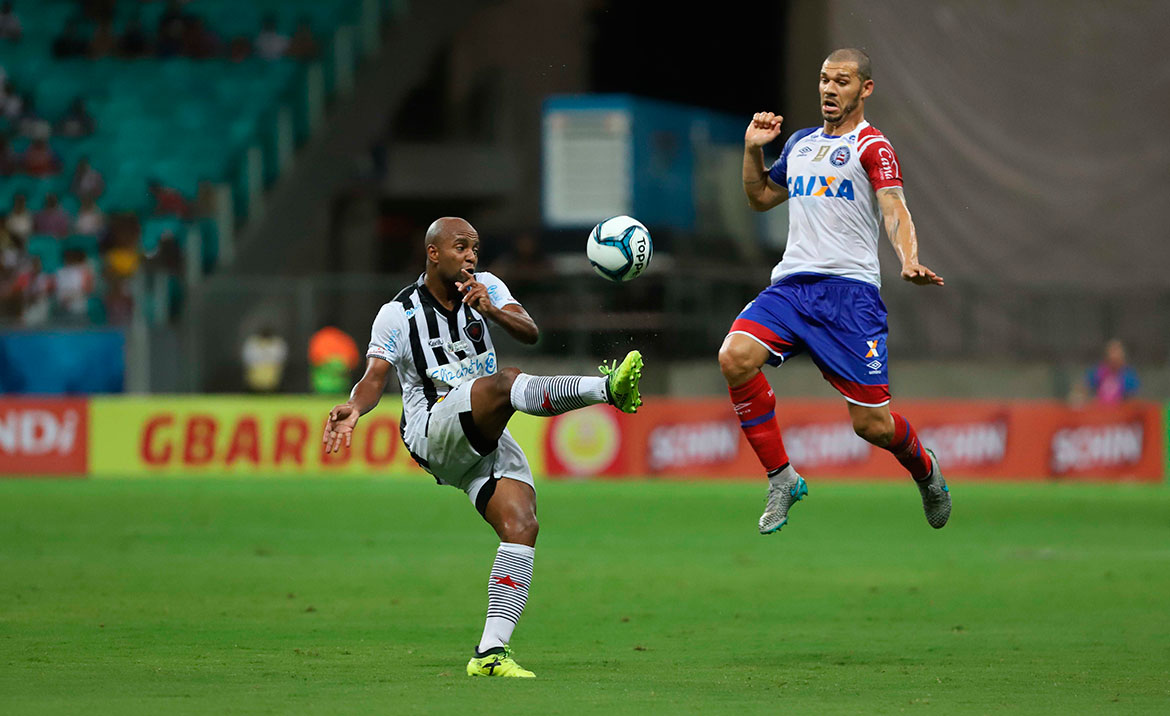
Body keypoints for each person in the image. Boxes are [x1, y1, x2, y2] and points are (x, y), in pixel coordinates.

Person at [321, 217, 644, 678]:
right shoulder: (398, 313)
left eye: (475, 247)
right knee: (506, 383)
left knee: (522, 526)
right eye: (461, 247)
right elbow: (375, 376)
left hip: (480, 434)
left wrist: (491, 310)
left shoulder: (486, 287)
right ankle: (607, 389)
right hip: (433, 429)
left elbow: (529, 331)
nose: (471, 255)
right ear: (434, 253)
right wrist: (354, 407)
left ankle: (490, 653)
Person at [721, 48, 951, 534]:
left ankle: (925, 470)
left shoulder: (873, 146)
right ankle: (782, 478)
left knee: (872, 426)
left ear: (865, 89)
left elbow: (894, 206)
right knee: (734, 357)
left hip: (849, 296)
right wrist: (752, 149)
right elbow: (760, 197)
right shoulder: (801, 143)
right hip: (793, 286)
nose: (829, 89)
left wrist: (908, 258)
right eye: (825, 79)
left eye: (841, 81)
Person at [1083, 339, 1139, 405]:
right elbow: (1085, 389)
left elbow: (1132, 398)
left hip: (1121, 408)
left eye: (1117, 352)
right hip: (1100, 408)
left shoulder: (1129, 375)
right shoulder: (1098, 372)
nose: (1114, 356)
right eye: (1112, 352)